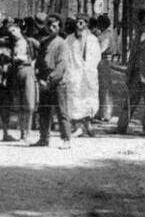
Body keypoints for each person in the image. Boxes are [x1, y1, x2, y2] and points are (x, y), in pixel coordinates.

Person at [61, 14, 102, 137]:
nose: (80, 25)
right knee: (75, 99)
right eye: (78, 22)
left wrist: (89, 68)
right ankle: (78, 126)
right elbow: (65, 57)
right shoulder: (69, 40)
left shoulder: (93, 40)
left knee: (90, 98)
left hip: (89, 75)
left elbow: (96, 57)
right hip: (74, 74)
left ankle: (88, 124)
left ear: (87, 25)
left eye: (83, 23)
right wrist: (70, 72)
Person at [35, 15, 71, 148]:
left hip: (57, 82)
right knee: (44, 111)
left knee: (61, 111)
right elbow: (38, 62)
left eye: (55, 26)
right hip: (44, 80)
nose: (51, 28)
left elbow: (61, 65)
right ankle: (44, 138)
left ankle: (66, 139)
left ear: (59, 27)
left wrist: (50, 80)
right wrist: (39, 78)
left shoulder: (62, 43)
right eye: (49, 26)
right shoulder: (44, 43)